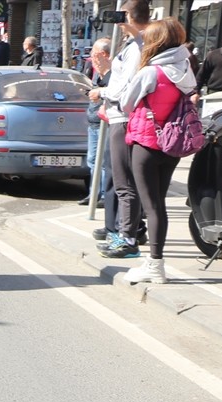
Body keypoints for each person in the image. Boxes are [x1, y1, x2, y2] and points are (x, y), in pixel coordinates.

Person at [120, 19, 197, 285]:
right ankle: (154, 262)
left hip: (147, 143)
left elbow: (126, 104)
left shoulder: (151, 72)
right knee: (158, 205)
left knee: (150, 206)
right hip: (173, 144)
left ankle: (155, 265)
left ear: (155, 43)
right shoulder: (185, 68)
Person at [98, 0, 151, 260]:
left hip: (123, 116)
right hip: (120, 115)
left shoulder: (138, 46)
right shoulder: (132, 43)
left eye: (123, 13)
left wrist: (102, 91)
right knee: (122, 181)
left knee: (124, 183)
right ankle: (126, 233)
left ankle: (128, 237)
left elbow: (126, 85)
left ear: (129, 15)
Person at [83, 38, 111, 206]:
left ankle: (103, 195)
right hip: (93, 121)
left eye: (94, 54)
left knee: (104, 161)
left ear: (103, 54)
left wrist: (100, 92)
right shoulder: (96, 73)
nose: (91, 58)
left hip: (106, 123)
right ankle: (94, 193)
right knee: (92, 160)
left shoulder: (114, 74)